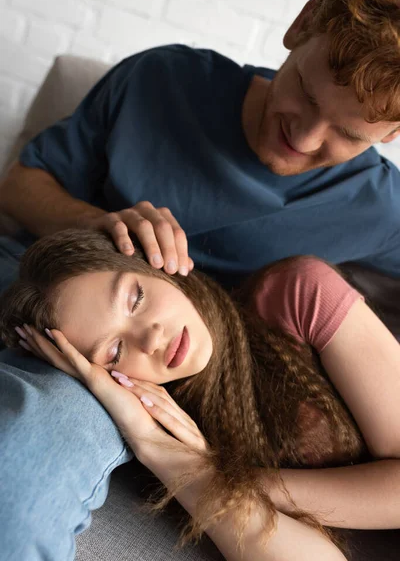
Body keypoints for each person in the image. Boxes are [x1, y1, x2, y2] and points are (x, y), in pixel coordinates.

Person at [0, 0, 400, 559]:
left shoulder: (375, 211)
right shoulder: (164, 80)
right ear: (302, 20)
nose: (308, 138)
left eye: (349, 135)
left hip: (114, 380)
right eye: (307, 95)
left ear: (391, 132)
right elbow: (20, 184)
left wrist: (220, 473)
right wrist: (96, 225)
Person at [3, 226, 399, 561]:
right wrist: (164, 452)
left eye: (136, 297)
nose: (151, 337)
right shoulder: (165, 428)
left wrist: (236, 480)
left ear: (157, 266)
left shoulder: (297, 293)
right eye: (115, 351)